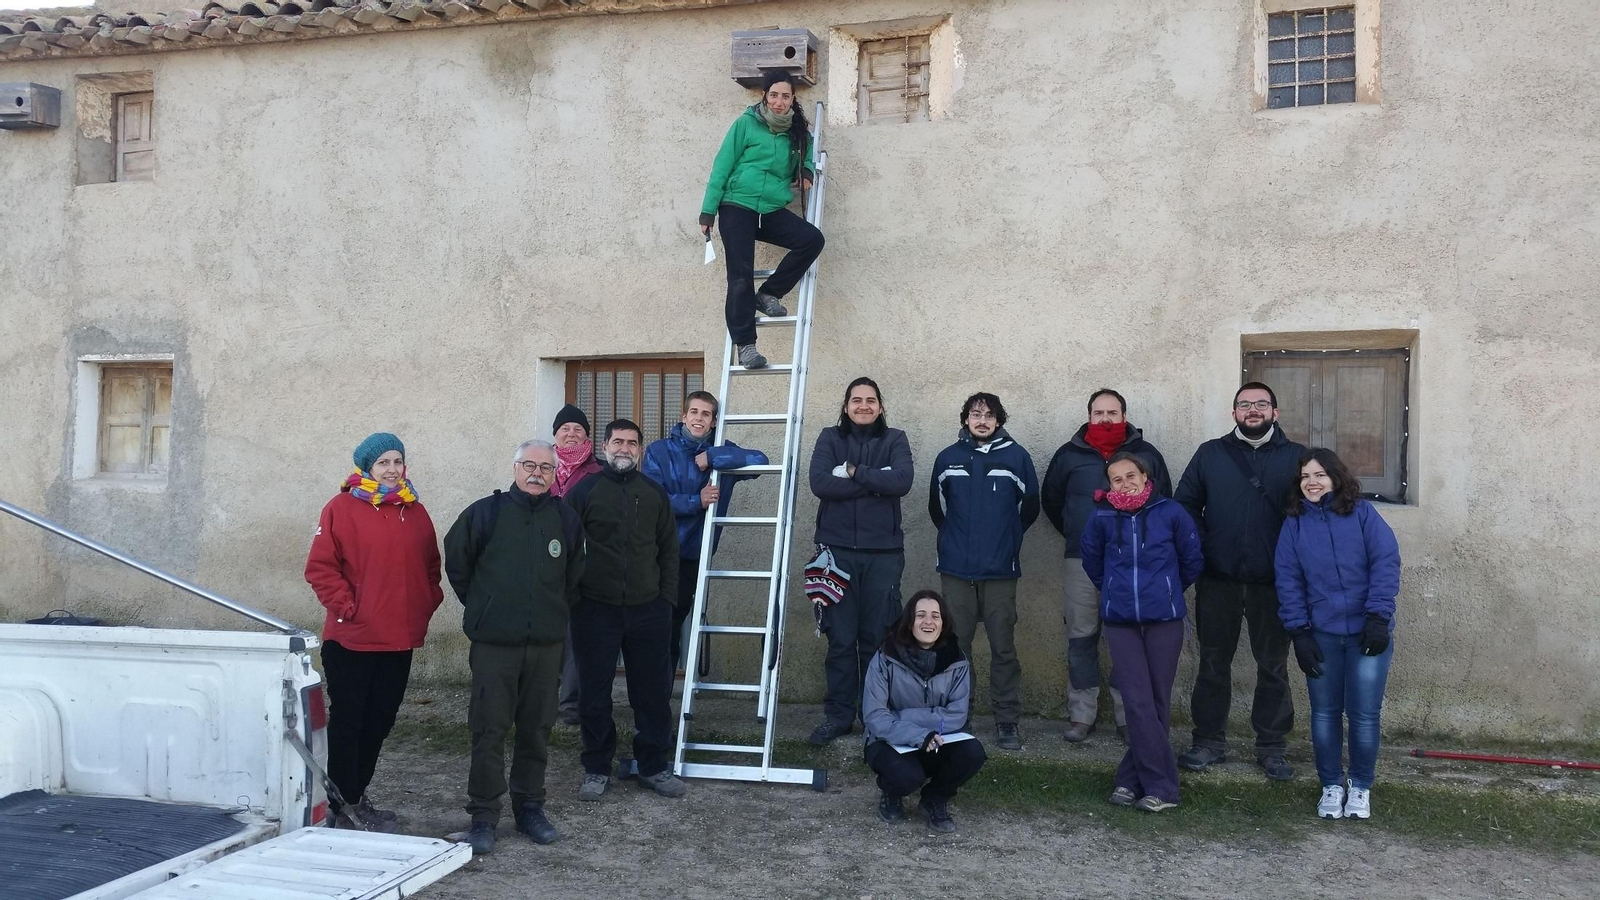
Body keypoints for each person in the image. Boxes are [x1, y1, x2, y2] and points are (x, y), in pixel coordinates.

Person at [443, 440, 585, 855]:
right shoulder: (484, 514)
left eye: (545, 466)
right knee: (489, 730)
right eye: (529, 465)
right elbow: (458, 565)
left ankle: (530, 809)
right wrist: (488, 607)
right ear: (515, 467)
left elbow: (575, 576)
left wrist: (549, 612)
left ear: (555, 472)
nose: (536, 472)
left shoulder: (566, 519)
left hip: (545, 646)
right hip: (494, 645)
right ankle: (483, 816)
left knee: (536, 730)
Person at [305, 432, 444, 832]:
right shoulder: (341, 508)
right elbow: (320, 568)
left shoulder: (415, 512)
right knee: (350, 721)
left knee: (381, 720)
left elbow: (430, 568)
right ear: (366, 467)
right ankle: (341, 804)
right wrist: (349, 608)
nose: (392, 470)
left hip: (398, 638)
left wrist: (423, 605)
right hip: (351, 639)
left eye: (397, 462)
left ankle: (356, 794)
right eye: (383, 463)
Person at [1173, 382, 1308, 781]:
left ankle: (1271, 747)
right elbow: (1184, 506)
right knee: (1213, 664)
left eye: (1261, 404)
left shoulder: (1297, 458)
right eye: (1244, 404)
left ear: (1275, 412)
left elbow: (1311, 509)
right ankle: (1208, 742)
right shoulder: (1210, 454)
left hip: (1274, 583)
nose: (1253, 410)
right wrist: (1204, 549)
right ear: (1233, 413)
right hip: (1218, 579)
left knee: (1273, 667)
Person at [564, 419, 687, 801]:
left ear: (640, 450)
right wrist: (575, 599)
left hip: (648, 610)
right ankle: (597, 767)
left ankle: (652, 766)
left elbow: (669, 551)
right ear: (604, 446)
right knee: (594, 693)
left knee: (651, 693)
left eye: (632, 443)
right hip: (594, 609)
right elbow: (566, 549)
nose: (624, 449)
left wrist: (665, 600)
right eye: (618, 441)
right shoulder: (583, 492)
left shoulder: (653, 493)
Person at [1042, 388, 1173, 744]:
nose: (1105, 419)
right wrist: (1076, 532)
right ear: (1089, 416)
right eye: (1098, 413)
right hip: (1080, 560)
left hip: (1133, 563)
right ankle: (1081, 714)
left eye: (1112, 413)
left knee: (1127, 640)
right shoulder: (1069, 455)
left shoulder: (1146, 455)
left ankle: (1128, 715)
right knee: (1081, 637)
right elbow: (1051, 501)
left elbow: (1163, 503)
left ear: (1124, 416)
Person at [1275, 449, 1400, 821]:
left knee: (1363, 715)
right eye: (1305, 477)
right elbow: (1288, 579)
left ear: (1335, 477)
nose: (1312, 482)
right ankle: (1331, 783)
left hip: (1367, 633)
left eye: (1320, 475)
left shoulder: (1361, 514)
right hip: (1322, 634)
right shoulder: (1294, 523)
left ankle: (1360, 786)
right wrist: (1298, 632)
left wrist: (1378, 616)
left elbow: (1385, 561)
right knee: (1325, 713)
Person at [1080, 452, 1203, 813]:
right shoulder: (1101, 516)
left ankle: (1133, 781)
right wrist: (1116, 591)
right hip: (1120, 621)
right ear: (1109, 484)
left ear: (1145, 476)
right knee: (1136, 700)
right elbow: (1092, 561)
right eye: (1116, 479)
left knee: (1157, 701)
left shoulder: (1170, 512)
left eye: (1130, 475)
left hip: (1164, 619)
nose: (1124, 483)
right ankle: (1161, 787)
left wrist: (1165, 590)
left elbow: (1192, 559)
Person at [927, 392, 1039, 751]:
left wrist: (1005, 541)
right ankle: (960, 717)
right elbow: (937, 511)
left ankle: (1006, 720)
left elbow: (1029, 509)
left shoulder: (1017, 458)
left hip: (999, 571)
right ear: (965, 420)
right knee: (957, 649)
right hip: (957, 570)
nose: (982, 420)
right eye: (975, 414)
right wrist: (956, 543)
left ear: (999, 421)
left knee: (1003, 648)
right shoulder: (947, 458)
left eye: (989, 415)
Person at [807, 377, 914, 746]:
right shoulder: (829, 438)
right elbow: (820, 483)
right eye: (856, 400)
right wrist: (874, 482)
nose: (863, 406)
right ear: (846, 406)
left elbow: (902, 481)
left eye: (871, 400)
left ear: (880, 406)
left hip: (883, 555)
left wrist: (852, 472)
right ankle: (837, 715)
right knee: (840, 639)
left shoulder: (895, 438)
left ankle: (874, 716)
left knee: (877, 639)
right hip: (835, 554)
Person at [699, 70, 823, 371]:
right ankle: (746, 345)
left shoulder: (797, 132)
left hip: (769, 209)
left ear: (793, 99)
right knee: (739, 275)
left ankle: (769, 293)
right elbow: (722, 166)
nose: (779, 102)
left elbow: (807, 156)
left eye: (785, 96)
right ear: (764, 96)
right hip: (736, 205)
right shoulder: (746, 124)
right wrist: (708, 211)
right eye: (774, 95)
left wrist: (806, 172)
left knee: (812, 240)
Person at [641, 390, 770, 672]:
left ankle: (661, 696)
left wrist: (713, 456)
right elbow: (653, 501)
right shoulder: (659, 451)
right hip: (658, 553)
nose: (699, 418)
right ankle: (656, 697)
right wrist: (695, 501)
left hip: (693, 555)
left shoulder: (721, 451)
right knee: (661, 624)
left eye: (706, 414)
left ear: (713, 422)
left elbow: (762, 461)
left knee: (674, 621)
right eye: (694, 412)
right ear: (684, 416)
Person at [861, 589, 987, 834]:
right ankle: (891, 793)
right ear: (910, 621)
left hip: (937, 738)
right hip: (888, 741)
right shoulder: (885, 656)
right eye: (920, 615)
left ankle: (935, 799)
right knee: (907, 776)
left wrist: (900, 715)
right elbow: (876, 716)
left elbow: (957, 715)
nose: (928, 622)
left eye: (935, 616)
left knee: (973, 752)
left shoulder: (957, 660)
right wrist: (918, 733)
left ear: (943, 622)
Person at [550, 403, 602, 726]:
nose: (571, 434)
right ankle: (542, 698)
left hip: (583, 569)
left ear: (587, 437)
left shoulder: (598, 473)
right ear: (555, 435)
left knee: (575, 638)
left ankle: (571, 703)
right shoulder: (540, 467)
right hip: (544, 567)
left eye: (578, 430)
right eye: (565, 429)